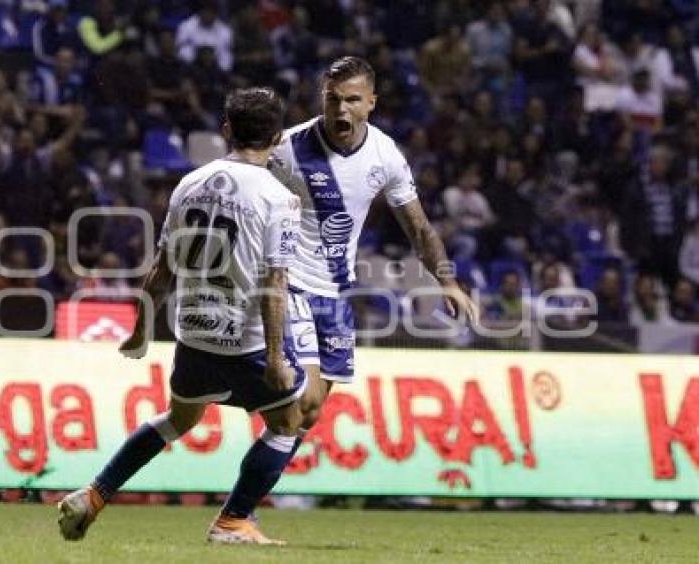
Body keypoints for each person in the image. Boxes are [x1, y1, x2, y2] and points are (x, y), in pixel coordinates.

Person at [57, 87, 308, 545]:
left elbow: (162, 268)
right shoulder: (279, 197)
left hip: (192, 333)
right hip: (244, 339)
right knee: (290, 421)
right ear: (277, 135)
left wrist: (140, 331)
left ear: (227, 130)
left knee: (179, 419)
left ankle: (94, 494)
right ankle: (233, 520)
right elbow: (275, 282)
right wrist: (275, 356)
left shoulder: (189, 183)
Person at [263, 56, 477, 478]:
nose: (341, 110)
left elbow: (418, 226)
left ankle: (242, 502)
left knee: (308, 417)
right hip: (290, 285)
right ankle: (236, 515)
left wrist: (448, 282)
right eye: (332, 100)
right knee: (299, 403)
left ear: (371, 103)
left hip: (338, 293)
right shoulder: (286, 148)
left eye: (352, 101)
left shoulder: (385, 156)